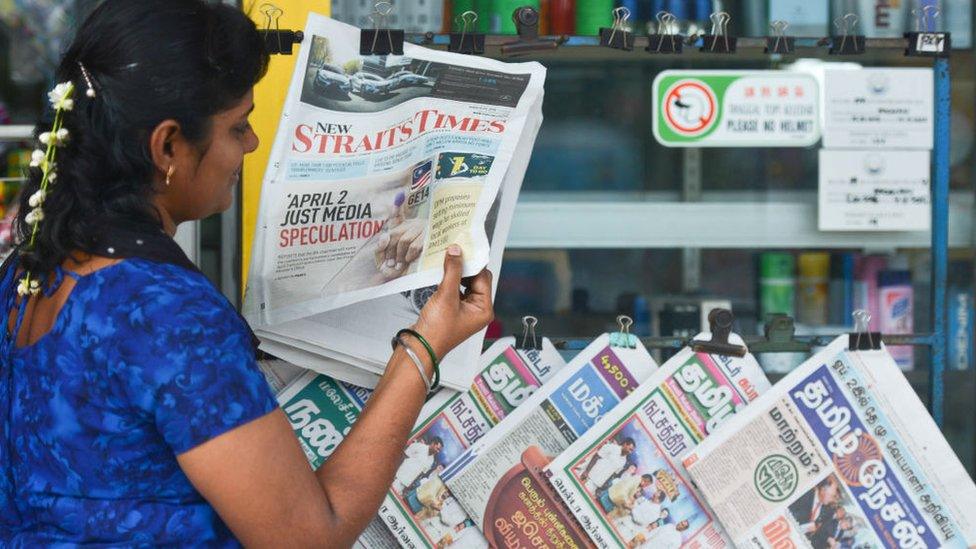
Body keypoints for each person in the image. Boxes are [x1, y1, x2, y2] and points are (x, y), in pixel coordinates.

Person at [0, 1, 493, 546]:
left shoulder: (27, 276)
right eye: (238, 127)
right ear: (167, 146)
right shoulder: (162, 314)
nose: (252, 143)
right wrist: (423, 348)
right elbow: (307, 538)